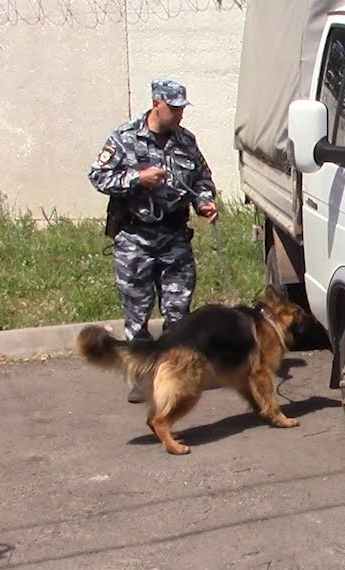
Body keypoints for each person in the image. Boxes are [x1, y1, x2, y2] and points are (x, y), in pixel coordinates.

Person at [89, 78, 219, 402]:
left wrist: (204, 201)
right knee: (137, 313)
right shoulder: (124, 137)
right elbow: (98, 175)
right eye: (173, 108)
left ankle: (173, 373)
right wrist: (138, 178)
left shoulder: (186, 141)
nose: (178, 115)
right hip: (135, 238)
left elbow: (202, 177)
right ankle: (143, 377)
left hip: (174, 237)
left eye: (181, 109)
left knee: (178, 313)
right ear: (156, 103)